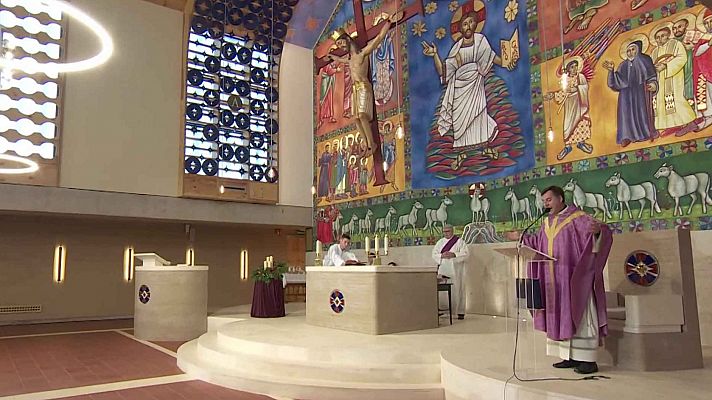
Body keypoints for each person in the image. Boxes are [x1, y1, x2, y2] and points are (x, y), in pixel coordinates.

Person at [506, 186, 612, 375]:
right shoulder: (546, 222)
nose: (545, 204)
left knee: (580, 315)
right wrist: (521, 237)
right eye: (543, 201)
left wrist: (598, 232)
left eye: (548, 200)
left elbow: (601, 231)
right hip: (553, 280)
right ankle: (568, 356)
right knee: (558, 314)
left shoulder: (578, 218)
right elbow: (538, 244)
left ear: (560, 198)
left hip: (573, 279)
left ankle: (587, 360)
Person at [422, 10, 515, 149]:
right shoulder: (457, 48)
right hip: (459, 89)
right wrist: (435, 55)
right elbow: (444, 71)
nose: (468, 26)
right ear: (461, 28)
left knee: (478, 114)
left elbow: (493, 58)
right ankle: (462, 148)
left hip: (475, 85)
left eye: (471, 22)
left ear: (476, 23)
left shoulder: (481, 41)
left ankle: (482, 143)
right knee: (460, 120)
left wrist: (507, 62)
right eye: (465, 24)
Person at [329, 13, 401, 157]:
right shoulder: (349, 60)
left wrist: (388, 23)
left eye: (341, 42)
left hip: (364, 86)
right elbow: (341, 60)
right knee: (356, 118)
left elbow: (378, 39)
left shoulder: (362, 54)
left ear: (348, 39)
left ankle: (372, 144)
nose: (341, 46)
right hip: (355, 90)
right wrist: (333, 57)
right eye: (338, 45)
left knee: (362, 115)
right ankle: (366, 144)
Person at [603, 40, 658, 147]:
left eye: (632, 49)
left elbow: (651, 75)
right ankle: (626, 136)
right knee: (625, 115)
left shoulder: (645, 60)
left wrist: (653, 84)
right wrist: (611, 71)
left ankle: (645, 133)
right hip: (626, 95)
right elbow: (615, 82)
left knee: (642, 112)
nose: (630, 52)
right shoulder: (623, 65)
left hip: (641, 92)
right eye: (628, 50)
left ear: (638, 50)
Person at [649, 24, 696, 135]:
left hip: (674, 77)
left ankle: (690, 123)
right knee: (661, 103)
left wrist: (666, 66)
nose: (660, 39)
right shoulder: (654, 51)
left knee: (676, 99)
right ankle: (672, 125)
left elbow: (681, 57)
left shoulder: (676, 44)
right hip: (659, 80)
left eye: (662, 36)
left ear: (668, 35)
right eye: (657, 37)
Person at [546, 58, 593, 160]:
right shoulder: (565, 80)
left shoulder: (580, 77)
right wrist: (553, 95)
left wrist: (576, 89)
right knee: (568, 125)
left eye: (576, 66)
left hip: (579, 104)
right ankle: (567, 147)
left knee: (581, 122)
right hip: (570, 105)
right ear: (568, 69)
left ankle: (581, 143)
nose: (574, 68)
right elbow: (563, 92)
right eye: (572, 67)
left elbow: (585, 87)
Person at [431, 224, 470, 320]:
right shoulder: (440, 242)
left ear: (452, 231)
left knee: (458, 289)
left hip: (456, 270)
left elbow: (466, 254)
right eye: (444, 231)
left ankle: (460, 312)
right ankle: (442, 310)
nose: (446, 233)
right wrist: (441, 255)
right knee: (443, 291)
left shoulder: (459, 242)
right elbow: (434, 254)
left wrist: (454, 254)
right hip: (444, 268)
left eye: (448, 231)